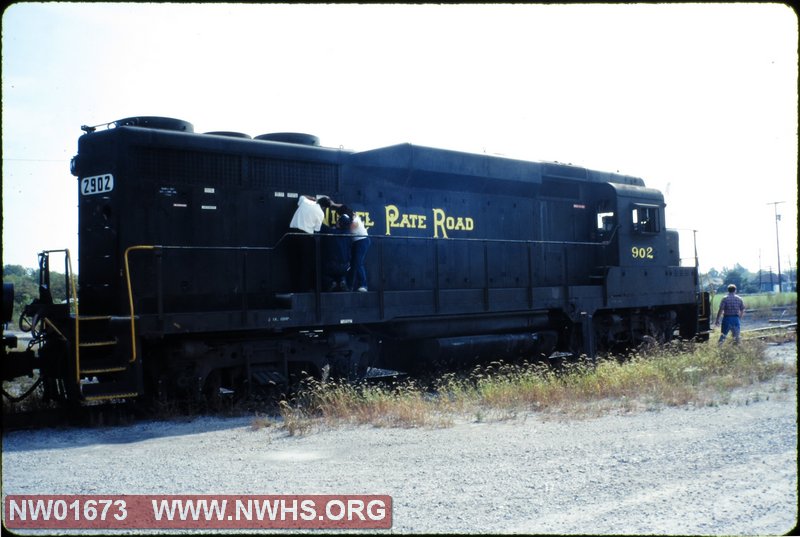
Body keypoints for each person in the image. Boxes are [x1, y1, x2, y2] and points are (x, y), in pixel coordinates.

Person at [287, 195, 330, 292]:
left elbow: (302, 196)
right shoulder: (320, 213)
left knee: (293, 263)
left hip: (291, 234)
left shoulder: (305, 201)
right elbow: (316, 230)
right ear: (324, 207)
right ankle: (303, 290)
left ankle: (293, 288)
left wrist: (313, 198)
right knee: (305, 264)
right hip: (305, 238)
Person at [347, 213, 371, 292]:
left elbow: (351, 227)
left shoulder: (355, 220)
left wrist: (340, 226)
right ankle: (350, 286)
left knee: (358, 263)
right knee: (353, 264)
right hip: (356, 242)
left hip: (362, 241)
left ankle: (363, 285)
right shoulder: (353, 217)